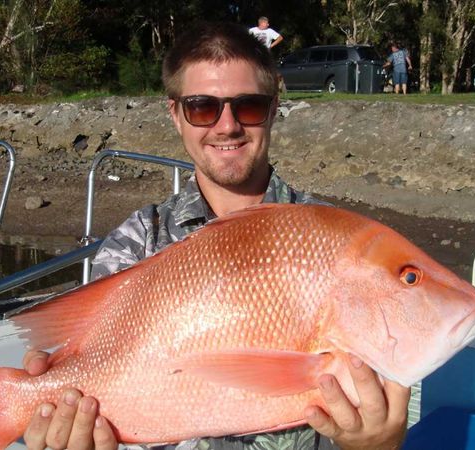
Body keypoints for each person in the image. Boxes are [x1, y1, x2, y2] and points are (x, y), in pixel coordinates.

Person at [22, 21, 410, 450]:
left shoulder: (337, 243)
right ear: (175, 114)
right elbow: (87, 363)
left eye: (248, 106)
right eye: (203, 107)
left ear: (274, 108)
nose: (227, 126)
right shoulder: (136, 243)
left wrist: (379, 443)